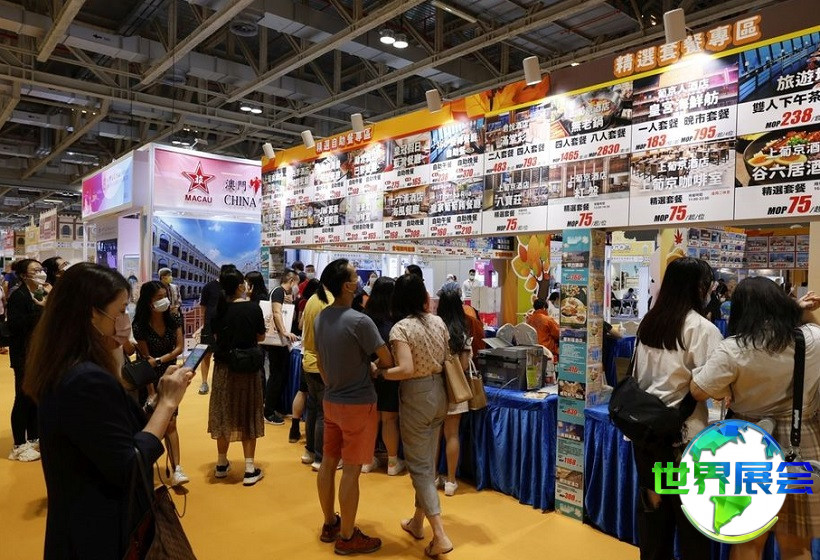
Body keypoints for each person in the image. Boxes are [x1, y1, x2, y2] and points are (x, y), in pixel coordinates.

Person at [23, 262, 194, 559]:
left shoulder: (67, 368)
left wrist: (157, 402)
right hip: (101, 530)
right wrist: (167, 404)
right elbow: (127, 463)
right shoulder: (85, 380)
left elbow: (108, 434)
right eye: (119, 311)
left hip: (83, 523)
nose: (123, 320)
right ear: (93, 314)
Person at [691, 278, 820, 560]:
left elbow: (699, 390)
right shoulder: (811, 339)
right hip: (799, 442)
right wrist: (800, 311)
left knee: (748, 541)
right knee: (796, 544)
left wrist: (727, 389)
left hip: (748, 441)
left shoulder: (734, 348)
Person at [631, 257, 722, 560]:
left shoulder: (649, 322)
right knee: (691, 525)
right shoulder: (702, 329)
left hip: (646, 436)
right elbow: (716, 385)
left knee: (653, 519)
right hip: (684, 440)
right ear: (698, 287)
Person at [314, 259, 394, 555]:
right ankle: (347, 537)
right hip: (358, 404)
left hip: (331, 400)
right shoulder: (360, 322)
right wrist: (372, 368)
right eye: (354, 274)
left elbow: (320, 361)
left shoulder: (321, 318)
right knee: (350, 470)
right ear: (348, 286)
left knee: (328, 463)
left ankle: (330, 523)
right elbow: (386, 359)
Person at [377, 273, 454, 558]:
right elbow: (447, 357)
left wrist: (381, 372)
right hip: (440, 393)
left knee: (419, 467)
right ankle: (417, 522)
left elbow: (406, 369)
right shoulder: (437, 321)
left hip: (416, 396)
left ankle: (440, 535)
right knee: (427, 462)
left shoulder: (401, 328)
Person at [209, 268, 267, 486]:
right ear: (241, 286)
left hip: (223, 368)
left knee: (223, 412)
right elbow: (260, 337)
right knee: (248, 413)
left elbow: (217, 337)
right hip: (247, 369)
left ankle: (221, 464)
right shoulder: (253, 308)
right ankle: (250, 469)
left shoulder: (219, 309)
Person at [132, 281, 187, 486]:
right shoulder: (140, 324)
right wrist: (151, 391)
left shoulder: (174, 317)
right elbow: (145, 358)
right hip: (148, 378)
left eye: (165, 296)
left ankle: (177, 469)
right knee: (150, 423)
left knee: (171, 422)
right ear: (149, 301)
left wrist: (160, 360)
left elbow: (179, 347)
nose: (164, 300)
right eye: (159, 297)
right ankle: (144, 467)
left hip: (171, 375)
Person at [7, 259, 50, 461]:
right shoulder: (19, 295)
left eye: (42, 269)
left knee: (35, 396)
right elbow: (16, 326)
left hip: (38, 352)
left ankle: (33, 437)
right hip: (23, 354)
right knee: (23, 397)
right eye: (36, 270)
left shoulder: (40, 292)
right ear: (24, 275)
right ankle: (19, 444)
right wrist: (41, 309)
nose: (41, 273)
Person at [362, 276, 405, 476]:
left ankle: (367, 460)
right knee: (389, 419)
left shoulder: (365, 318)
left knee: (371, 419)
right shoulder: (395, 322)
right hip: (388, 375)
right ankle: (392, 462)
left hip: (366, 375)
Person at [435, 288, 474, 497]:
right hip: (455, 389)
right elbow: (465, 366)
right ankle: (451, 481)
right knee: (452, 434)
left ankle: (432, 477)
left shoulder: (434, 329)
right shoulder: (462, 333)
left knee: (434, 435)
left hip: (434, 387)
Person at [300, 279, 333, 470]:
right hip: (323, 364)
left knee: (312, 409)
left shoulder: (313, 299)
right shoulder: (329, 301)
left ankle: (310, 451)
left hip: (309, 360)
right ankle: (321, 457)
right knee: (323, 413)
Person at [264, 269, 300, 426]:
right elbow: (276, 313)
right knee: (276, 375)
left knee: (280, 374)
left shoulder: (282, 294)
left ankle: (275, 407)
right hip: (277, 341)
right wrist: (284, 331)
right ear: (291, 281)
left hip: (280, 341)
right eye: (297, 283)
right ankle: (268, 411)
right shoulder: (278, 291)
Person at [198, 264, 236, 395]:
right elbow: (203, 307)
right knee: (206, 354)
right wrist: (205, 323)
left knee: (226, 353)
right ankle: (204, 382)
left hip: (227, 325)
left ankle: (226, 382)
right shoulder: (209, 287)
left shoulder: (231, 286)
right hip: (210, 324)